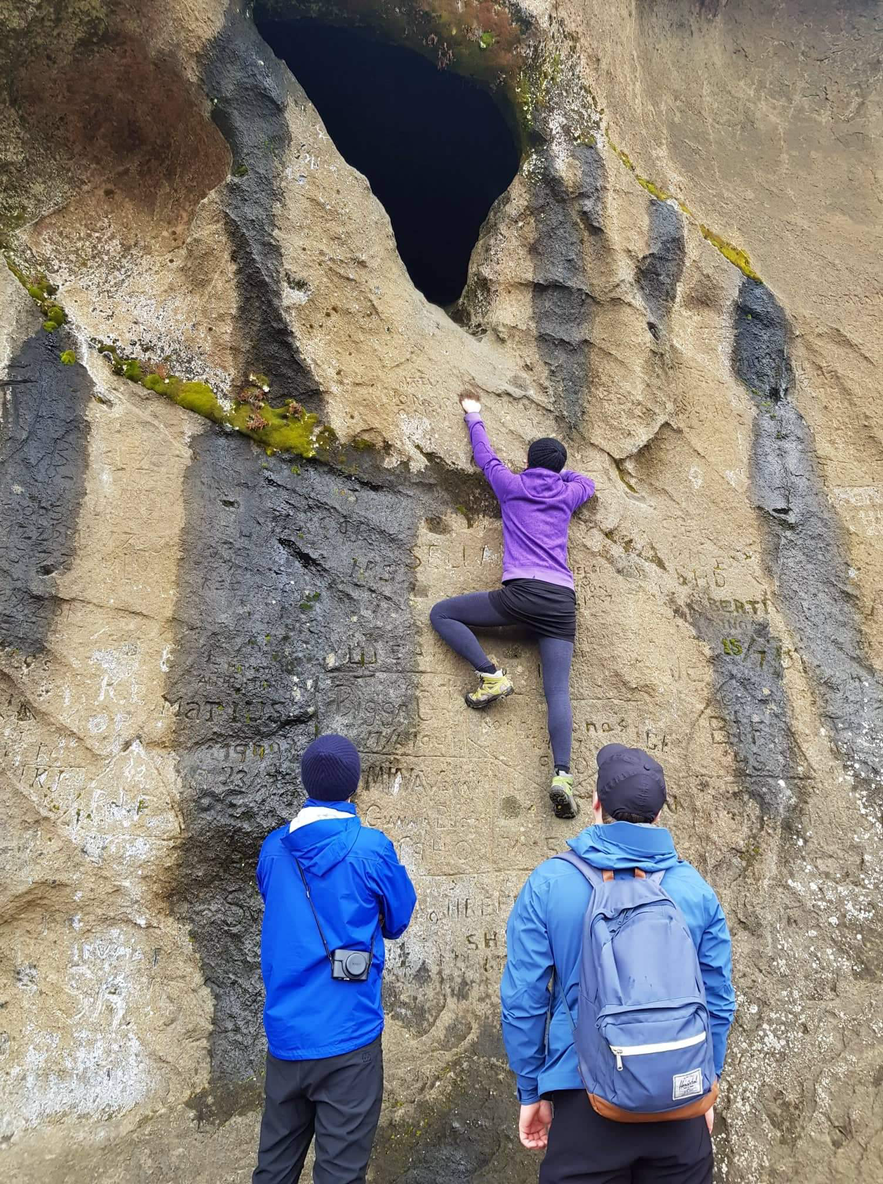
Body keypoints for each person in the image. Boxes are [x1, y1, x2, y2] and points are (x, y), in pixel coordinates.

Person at [500, 744, 736, 1184]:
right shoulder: (694, 889)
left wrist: (532, 1090)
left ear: (596, 805)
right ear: (659, 817)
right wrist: (707, 1083)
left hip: (583, 1100)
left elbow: (523, 998)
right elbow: (719, 999)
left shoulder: (550, 882)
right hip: (679, 1097)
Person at [253, 733, 417, 1184]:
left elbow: (276, 900)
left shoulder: (274, 849)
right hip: (349, 1033)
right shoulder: (371, 848)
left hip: (286, 1035)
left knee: (273, 1167)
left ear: (305, 781)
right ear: (354, 784)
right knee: (341, 1174)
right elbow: (397, 919)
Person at [430, 392, 595, 820]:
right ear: (558, 468)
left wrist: (474, 416)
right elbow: (589, 484)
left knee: (442, 613)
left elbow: (485, 457)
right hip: (560, 602)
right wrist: (558, 475)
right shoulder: (567, 494)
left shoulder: (512, 485)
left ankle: (490, 676)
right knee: (557, 691)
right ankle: (562, 775)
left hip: (519, 597)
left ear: (528, 461)